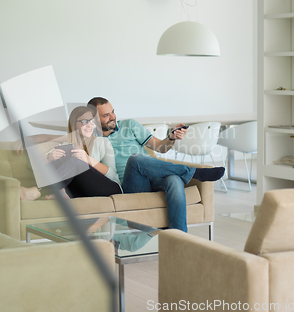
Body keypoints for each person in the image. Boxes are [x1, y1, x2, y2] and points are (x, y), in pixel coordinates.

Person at [87, 97, 225, 232]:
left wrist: (171, 138)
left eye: (113, 111)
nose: (113, 117)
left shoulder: (129, 125)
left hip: (152, 175)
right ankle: (193, 172)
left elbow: (160, 148)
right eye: (106, 115)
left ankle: (179, 238)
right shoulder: (91, 138)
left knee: (174, 180)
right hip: (130, 184)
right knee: (135, 159)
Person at [20, 105, 122, 201]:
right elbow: (31, 166)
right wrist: (49, 157)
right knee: (58, 162)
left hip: (111, 189)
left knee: (76, 162)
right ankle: (61, 192)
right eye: (84, 121)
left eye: (91, 121)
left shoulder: (102, 142)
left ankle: (37, 192)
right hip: (81, 191)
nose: (89, 125)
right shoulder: (66, 145)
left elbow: (111, 173)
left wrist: (87, 159)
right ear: (74, 124)